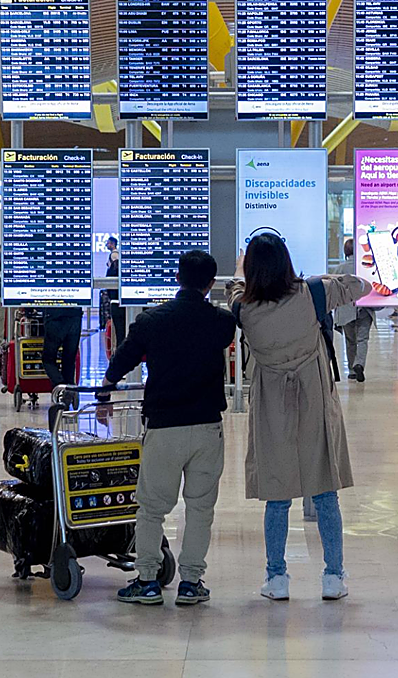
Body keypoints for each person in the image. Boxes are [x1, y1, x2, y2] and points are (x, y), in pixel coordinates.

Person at [227, 233, 368, 602]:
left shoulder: (243, 309)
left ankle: (277, 578)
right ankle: (333, 577)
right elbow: (360, 285)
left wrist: (242, 275)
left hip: (273, 407)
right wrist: (321, 279)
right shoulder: (313, 294)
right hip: (314, 402)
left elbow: (234, 291)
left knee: (276, 497)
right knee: (325, 494)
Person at [101, 250, 236, 606]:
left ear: (177, 278)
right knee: (200, 508)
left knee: (151, 508)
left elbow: (124, 358)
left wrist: (105, 388)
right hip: (207, 426)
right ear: (210, 284)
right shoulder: (221, 324)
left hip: (164, 426)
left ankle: (147, 580)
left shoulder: (152, 321)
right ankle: (191, 582)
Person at [331, 238, 373, 382]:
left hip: (346, 308)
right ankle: (359, 364)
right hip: (364, 308)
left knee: (350, 340)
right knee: (362, 339)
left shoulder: (339, 269)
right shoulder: (365, 267)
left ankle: (351, 370)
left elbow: (334, 291)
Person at [41, 306, 82, 388]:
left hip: (55, 317)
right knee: (69, 360)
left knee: (48, 359)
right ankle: (69, 391)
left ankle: (60, 386)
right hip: (75, 317)